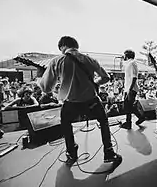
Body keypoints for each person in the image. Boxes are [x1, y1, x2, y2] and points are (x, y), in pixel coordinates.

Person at [38, 36, 122, 167]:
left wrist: (42, 78)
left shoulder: (56, 61)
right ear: (76, 46)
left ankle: (71, 152)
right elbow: (105, 78)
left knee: (66, 124)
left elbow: (46, 88)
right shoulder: (89, 59)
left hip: (70, 102)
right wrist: (94, 83)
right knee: (103, 121)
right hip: (91, 100)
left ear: (63, 46)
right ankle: (109, 152)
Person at [120, 50, 145, 130]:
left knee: (128, 106)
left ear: (127, 55)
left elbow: (134, 77)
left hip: (131, 89)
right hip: (128, 88)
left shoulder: (132, 63)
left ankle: (129, 123)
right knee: (128, 106)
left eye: (124, 55)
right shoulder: (129, 63)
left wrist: (130, 89)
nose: (123, 57)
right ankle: (137, 119)